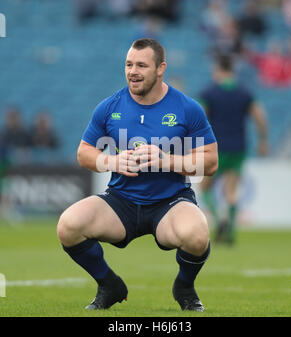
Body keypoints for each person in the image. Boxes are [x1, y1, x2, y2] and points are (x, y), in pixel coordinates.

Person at [57, 38, 218, 312]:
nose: (133, 71)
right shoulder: (109, 107)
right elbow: (83, 154)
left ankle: (184, 287)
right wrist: (112, 161)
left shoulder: (187, 108)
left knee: (198, 234)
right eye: (129, 64)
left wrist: (167, 160)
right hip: (121, 200)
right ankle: (109, 285)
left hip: (170, 202)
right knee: (68, 226)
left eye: (141, 65)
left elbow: (211, 161)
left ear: (160, 69)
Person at [199, 54, 268, 245]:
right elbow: (259, 116)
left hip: (216, 148)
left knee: (205, 187)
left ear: (218, 70)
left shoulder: (209, 92)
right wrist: (263, 140)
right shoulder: (244, 92)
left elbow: (200, 117)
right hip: (239, 147)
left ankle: (218, 218)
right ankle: (229, 230)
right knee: (231, 191)